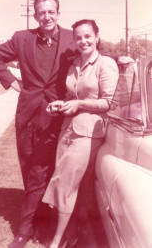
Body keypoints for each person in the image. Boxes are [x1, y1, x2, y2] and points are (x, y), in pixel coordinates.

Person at [0, 0, 75, 248]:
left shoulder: (71, 38)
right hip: (28, 114)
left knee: (50, 171)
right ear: (35, 15)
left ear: (58, 13)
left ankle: (36, 226)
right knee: (31, 169)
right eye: (41, 12)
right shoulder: (21, 38)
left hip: (59, 117)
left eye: (51, 11)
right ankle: (32, 225)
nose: (46, 16)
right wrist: (14, 84)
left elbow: (93, 56)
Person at [42, 19, 119, 248]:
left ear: (96, 37)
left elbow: (109, 102)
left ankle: (57, 241)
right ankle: (77, 234)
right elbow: (72, 97)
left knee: (65, 184)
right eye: (78, 37)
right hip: (68, 129)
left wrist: (79, 105)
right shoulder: (75, 64)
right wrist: (61, 104)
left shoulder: (105, 64)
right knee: (76, 186)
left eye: (87, 36)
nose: (83, 41)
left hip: (89, 133)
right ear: (74, 41)